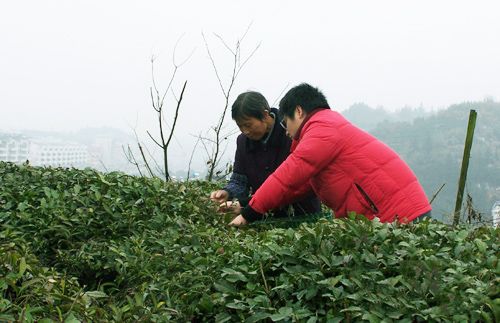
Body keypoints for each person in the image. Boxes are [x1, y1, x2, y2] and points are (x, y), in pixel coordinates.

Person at [230, 83, 432, 226]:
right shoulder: (324, 127)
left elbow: (288, 175)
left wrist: (249, 214)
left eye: (286, 122)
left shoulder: (323, 129)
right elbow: (297, 188)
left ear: (298, 112)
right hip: (390, 217)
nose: (285, 130)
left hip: (401, 216)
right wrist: (248, 204)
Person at [210, 91, 321, 219]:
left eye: (248, 125)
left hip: (303, 215)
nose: (245, 131)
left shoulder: (290, 131)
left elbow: (302, 180)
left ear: (265, 115)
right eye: (240, 126)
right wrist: (227, 192)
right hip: (265, 217)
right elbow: (239, 181)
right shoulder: (243, 142)